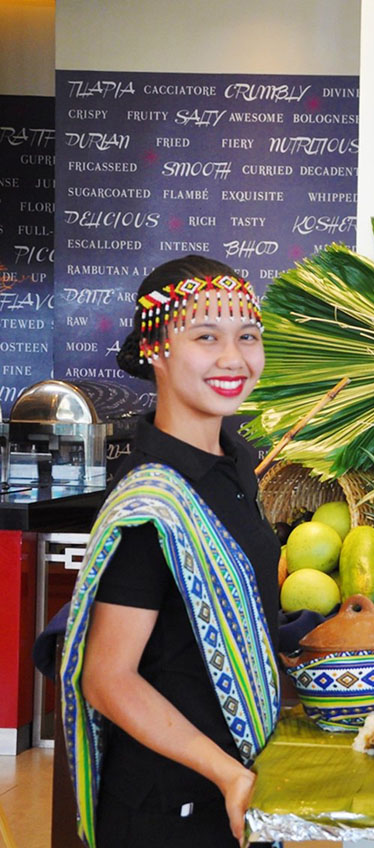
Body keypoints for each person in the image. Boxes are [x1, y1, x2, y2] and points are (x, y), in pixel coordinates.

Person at [59, 256, 281, 847]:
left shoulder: (236, 466)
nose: (234, 358)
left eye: (247, 336)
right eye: (206, 336)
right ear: (156, 350)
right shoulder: (152, 501)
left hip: (229, 791)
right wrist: (228, 775)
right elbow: (107, 679)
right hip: (168, 808)